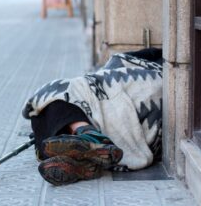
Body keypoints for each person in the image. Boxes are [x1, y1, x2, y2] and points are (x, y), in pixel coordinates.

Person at [23, 48, 163, 185]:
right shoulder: (164, 57)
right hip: (117, 108)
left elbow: (122, 60)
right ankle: (87, 148)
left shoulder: (163, 62)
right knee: (47, 110)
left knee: (51, 99)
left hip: (138, 90)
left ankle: (86, 144)